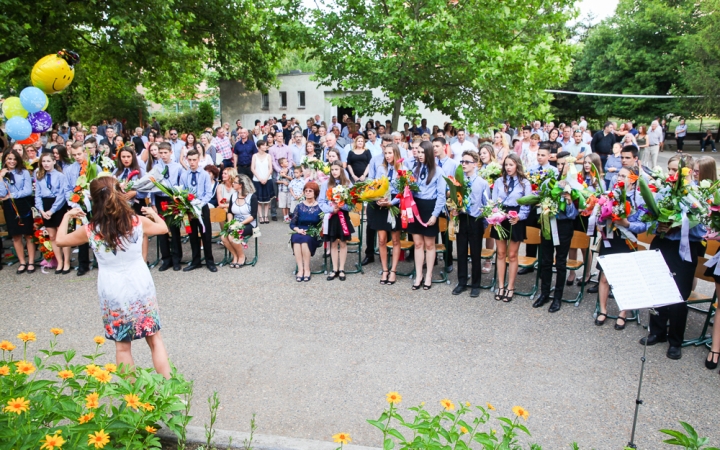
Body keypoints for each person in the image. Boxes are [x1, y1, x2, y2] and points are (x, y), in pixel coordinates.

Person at [55, 176, 171, 378]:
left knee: (122, 347)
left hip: (112, 287)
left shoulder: (90, 230)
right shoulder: (137, 222)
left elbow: (61, 240)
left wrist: (67, 216)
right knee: (154, 338)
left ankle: (131, 399)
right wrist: (153, 213)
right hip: (139, 282)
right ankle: (171, 390)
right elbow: (163, 228)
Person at [642, 157, 707, 360]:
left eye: (677, 171)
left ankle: (675, 340)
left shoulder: (697, 196)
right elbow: (649, 219)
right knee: (658, 288)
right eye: (670, 170)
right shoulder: (663, 191)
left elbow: (702, 230)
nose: (672, 175)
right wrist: (659, 226)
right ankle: (657, 331)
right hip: (663, 245)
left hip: (684, 250)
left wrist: (679, 226)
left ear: (689, 173)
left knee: (679, 295)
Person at [595, 166, 647, 330]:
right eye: (618, 175)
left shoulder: (639, 199)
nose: (619, 178)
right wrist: (602, 217)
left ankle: (622, 313)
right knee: (604, 277)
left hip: (626, 241)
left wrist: (627, 223)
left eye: (623, 176)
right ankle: (603, 310)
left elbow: (643, 225)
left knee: (624, 279)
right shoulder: (610, 194)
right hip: (610, 238)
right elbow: (600, 220)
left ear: (632, 179)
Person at [532, 151, 578, 313]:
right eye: (558, 164)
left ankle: (557, 297)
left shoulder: (574, 184)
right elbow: (541, 198)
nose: (560, 167)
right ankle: (544, 293)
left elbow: (573, 214)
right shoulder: (550, 181)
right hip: (549, 223)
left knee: (560, 262)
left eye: (563, 164)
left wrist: (569, 200)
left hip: (564, 226)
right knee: (545, 260)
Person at [489, 153, 531, 301]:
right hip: (500, 216)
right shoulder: (499, 181)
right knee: (500, 253)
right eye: (506, 165)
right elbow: (493, 201)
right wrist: (495, 214)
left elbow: (527, 204)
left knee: (512, 255)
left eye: (511, 165)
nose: (508, 167)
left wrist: (520, 217)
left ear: (517, 165)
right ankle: (500, 285)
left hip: (515, 217)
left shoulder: (525, 183)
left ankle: (510, 287)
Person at [408, 141, 447, 290]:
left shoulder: (438, 171)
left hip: (430, 208)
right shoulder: (415, 170)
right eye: (418, 152)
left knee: (430, 244)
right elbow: (410, 190)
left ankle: (429, 275)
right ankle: (419, 275)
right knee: (418, 244)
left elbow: (441, 195)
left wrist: (435, 215)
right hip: (416, 206)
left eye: (423, 152)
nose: (420, 155)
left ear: (429, 153)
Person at [450, 150, 489, 297]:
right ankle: (461, 282)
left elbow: (486, 204)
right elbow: (454, 198)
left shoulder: (482, 183)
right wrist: (454, 208)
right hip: (462, 217)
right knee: (460, 251)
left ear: (475, 164)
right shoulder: (458, 181)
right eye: (462, 162)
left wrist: (483, 223)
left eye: (467, 162)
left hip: (475, 219)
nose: (464, 164)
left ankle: (476, 284)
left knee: (475, 252)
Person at [368, 143, 403, 285]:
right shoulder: (381, 168)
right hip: (380, 206)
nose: (388, 156)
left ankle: (393, 270)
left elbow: (404, 191)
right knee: (382, 239)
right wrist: (377, 198)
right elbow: (374, 185)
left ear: (396, 154)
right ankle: (384, 269)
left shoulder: (402, 170)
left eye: (390, 153)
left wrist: (391, 203)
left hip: (394, 204)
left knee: (395, 239)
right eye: (386, 153)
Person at [567, 153, 603, 286]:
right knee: (572, 244)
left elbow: (600, 200)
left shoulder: (599, 180)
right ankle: (571, 272)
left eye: (590, 163)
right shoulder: (578, 177)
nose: (587, 165)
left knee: (584, 246)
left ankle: (587, 273)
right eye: (585, 162)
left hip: (588, 217)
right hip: (577, 214)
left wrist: (590, 206)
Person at [181, 149, 217, 272]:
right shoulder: (184, 175)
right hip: (189, 209)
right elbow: (182, 191)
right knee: (192, 235)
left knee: (205, 234)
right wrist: (188, 204)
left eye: (194, 160)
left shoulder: (205, 175)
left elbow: (208, 193)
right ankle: (195, 261)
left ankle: (209, 261)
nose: (192, 162)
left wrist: (199, 204)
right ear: (187, 160)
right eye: (189, 160)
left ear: (199, 160)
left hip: (202, 208)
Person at [34, 152, 71, 273]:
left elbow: (62, 195)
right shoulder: (39, 175)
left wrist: (52, 210)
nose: (46, 164)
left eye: (48, 161)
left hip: (58, 205)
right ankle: (59, 261)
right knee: (52, 236)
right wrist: (41, 210)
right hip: (45, 205)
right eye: (43, 161)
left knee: (62, 235)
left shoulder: (60, 176)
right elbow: (37, 194)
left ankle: (66, 261)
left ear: (54, 162)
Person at [0, 150, 36, 273]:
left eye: (14, 159)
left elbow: (27, 191)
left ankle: (31, 261)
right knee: (16, 236)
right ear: (5, 159)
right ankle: (22, 262)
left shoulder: (24, 172)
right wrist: (0, 177)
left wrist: (12, 195)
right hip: (9, 207)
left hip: (23, 205)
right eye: (9, 159)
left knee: (28, 234)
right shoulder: (2, 173)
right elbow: (1, 194)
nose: (12, 161)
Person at [319, 161, 355, 281]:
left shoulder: (348, 184)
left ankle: (342, 269)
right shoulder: (326, 184)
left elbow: (351, 204)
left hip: (343, 217)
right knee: (333, 243)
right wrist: (331, 209)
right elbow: (321, 202)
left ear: (341, 170)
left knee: (343, 243)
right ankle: (334, 269)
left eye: (336, 169)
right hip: (331, 217)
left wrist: (341, 206)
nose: (334, 172)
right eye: (332, 169)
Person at [155, 142, 185, 272]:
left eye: (165, 153)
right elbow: (151, 185)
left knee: (174, 229)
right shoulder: (156, 167)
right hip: (159, 199)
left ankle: (176, 258)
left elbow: (181, 183)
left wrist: (179, 200)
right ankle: (166, 259)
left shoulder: (177, 167)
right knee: (162, 230)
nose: (163, 155)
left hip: (172, 199)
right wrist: (152, 203)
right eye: (160, 153)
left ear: (171, 152)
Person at [290, 181, 323, 281]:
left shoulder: (320, 207)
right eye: (306, 191)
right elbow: (292, 224)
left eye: (310, 191)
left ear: (315, 193)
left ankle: (307, 269)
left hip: (313, 233)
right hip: (300, 230)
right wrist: (297, 230)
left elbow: (323, 224)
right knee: (296, 239)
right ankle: (300, 270)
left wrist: (318, 231)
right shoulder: (299, 206)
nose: (308, 192)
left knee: (305, 241)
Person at [223, 174, 258, 268]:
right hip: (235, 222)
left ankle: (242, 256)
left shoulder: (252, 197)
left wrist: (240, 224)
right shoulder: (233, 196)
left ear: (241, 184)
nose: (232, 183)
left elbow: (253, 215)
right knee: (223, 236)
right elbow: (230, 212)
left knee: (232, 236)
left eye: (235, 182)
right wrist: (230, 222)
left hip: (249, 223)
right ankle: (235, 256)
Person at [251, 140, 274, 224]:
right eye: (263, 145)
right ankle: (260, 216)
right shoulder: (254, 156)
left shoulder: (268, 156)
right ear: (259, 147)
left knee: (267, 200)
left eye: (266, 145)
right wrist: (260, 178)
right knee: (259, 200)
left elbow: (270, 168)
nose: (265, 147)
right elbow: (252, 168)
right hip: (257, 180)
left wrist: (266, 178)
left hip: (267, 179)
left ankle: (266, 216)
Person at [276, 157, 293, 222]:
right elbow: (277, 180)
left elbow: (292, 178)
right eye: (285, 162)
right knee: (283, 204)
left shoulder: (290, 171)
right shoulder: (280, 171)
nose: (287, 162)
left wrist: (285, 176)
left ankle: (288, 216)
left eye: (287, 161)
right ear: (281, 164)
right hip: (282, 190)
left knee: (288, 204)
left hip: (289, 190)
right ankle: (285, 216)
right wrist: (283, 182)